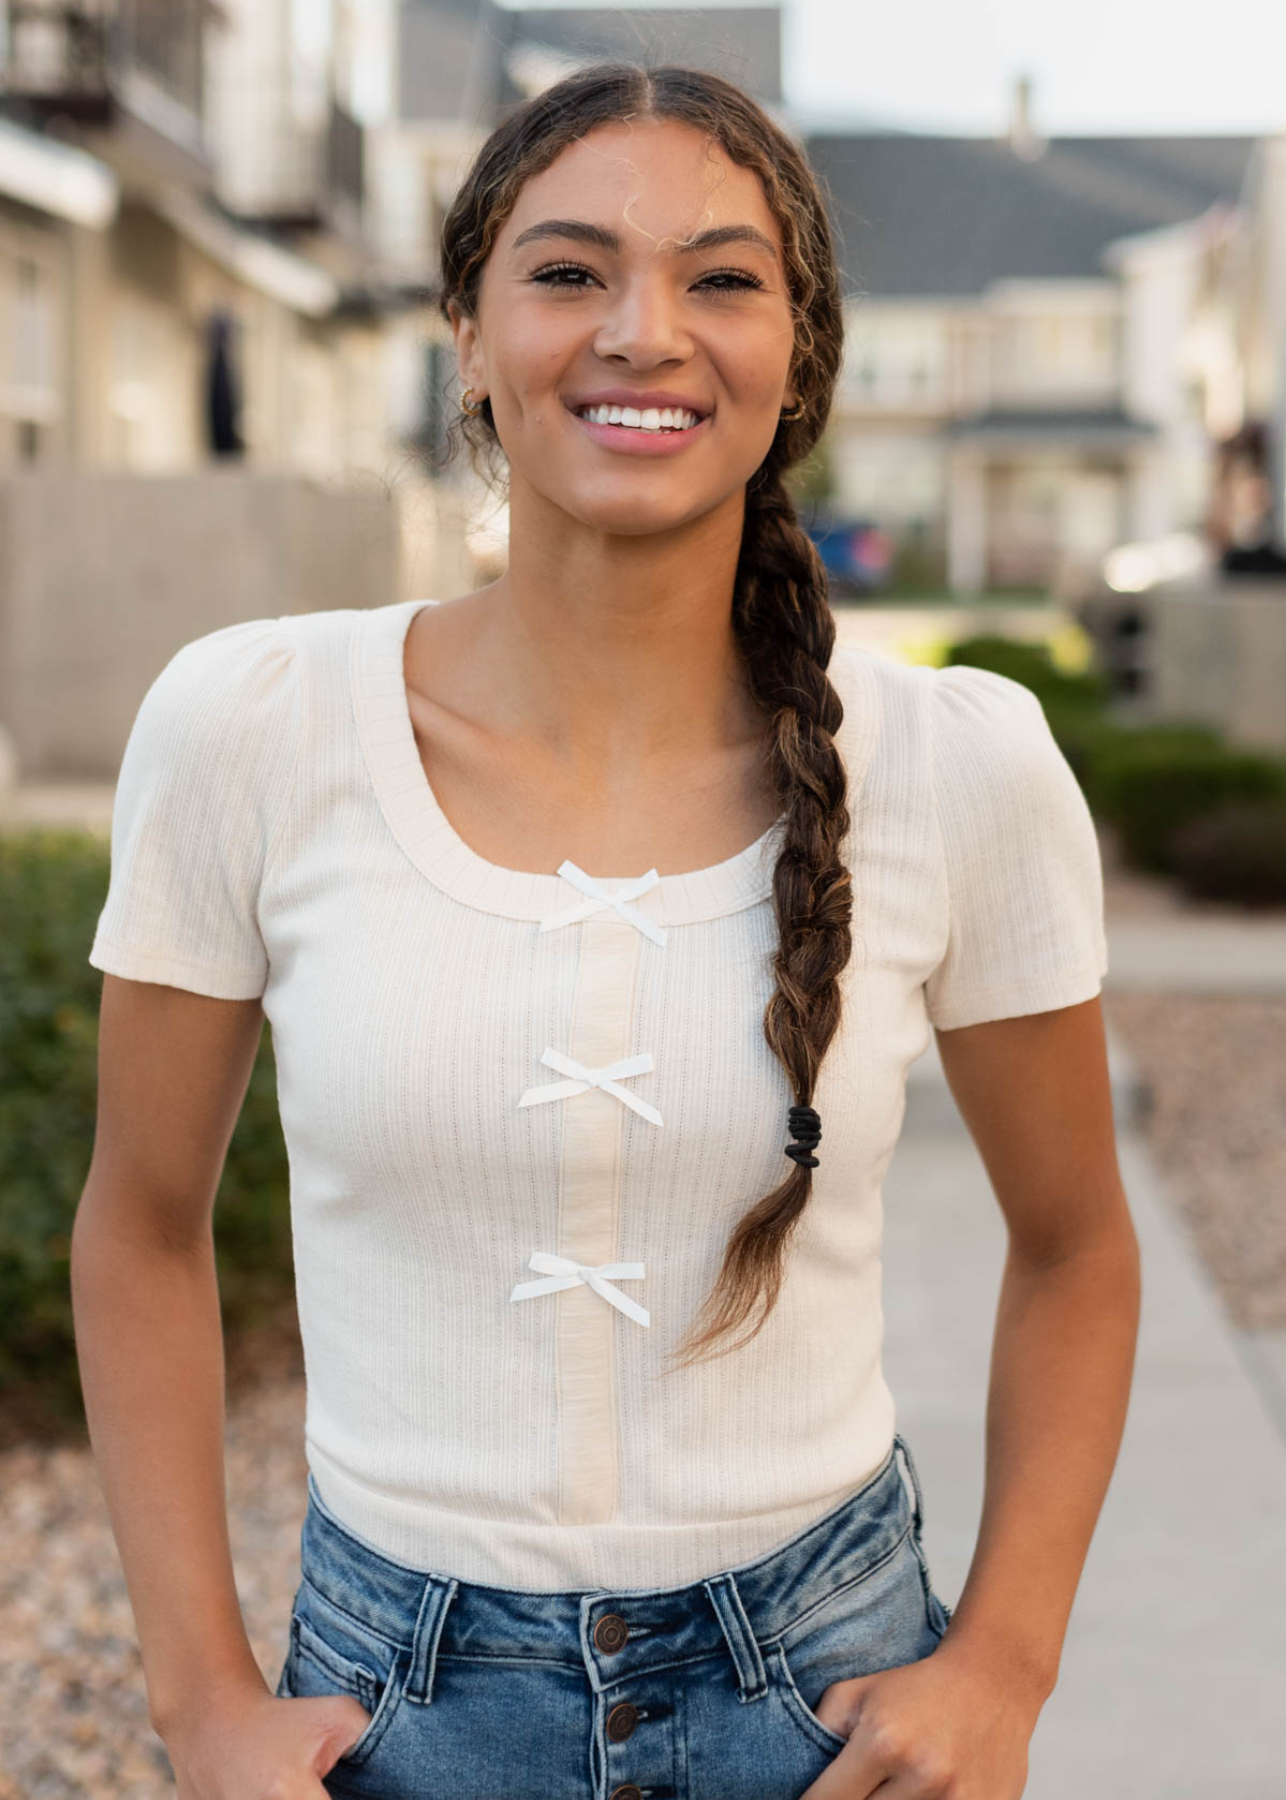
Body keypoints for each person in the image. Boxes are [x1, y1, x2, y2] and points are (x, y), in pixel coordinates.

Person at [72, 61, 1141, 1800]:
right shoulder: (251, 725)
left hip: (829, 1703)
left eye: (721, 278)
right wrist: (198, 1698)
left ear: (798, 351)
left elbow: (1079, 1248)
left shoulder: (957, 764)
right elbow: (134, 1228)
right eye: (569, 271)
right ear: (468, 331)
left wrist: (1002, 1667)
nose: (644, 331)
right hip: (388, 1712)